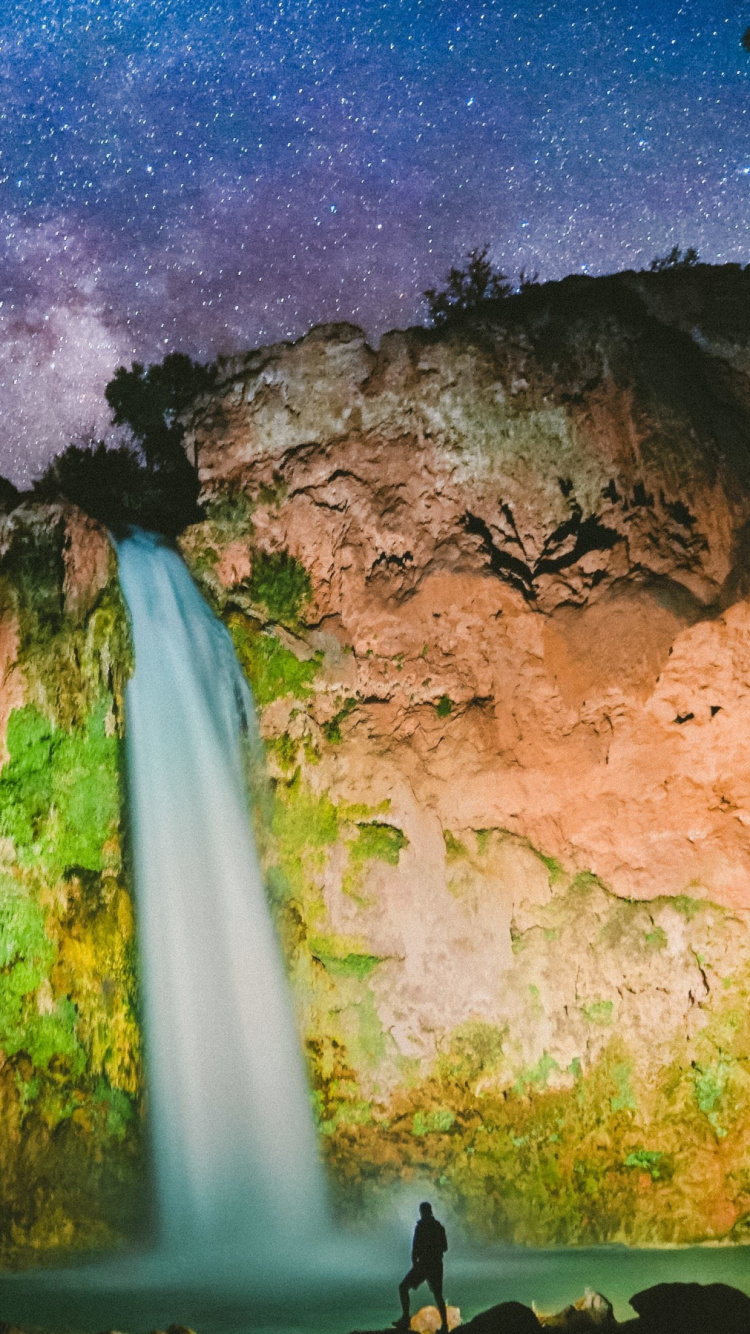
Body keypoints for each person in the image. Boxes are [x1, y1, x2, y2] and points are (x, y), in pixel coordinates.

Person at [394, 1201, 449, 1333]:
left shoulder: (421, 1227)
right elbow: (445, 1247)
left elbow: (415, 1247)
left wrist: (415, 1262)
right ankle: (445, 1326)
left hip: (424, 1264)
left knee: (403, 1287)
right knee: (438, 1295)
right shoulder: (438, 1227)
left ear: (423, 1212)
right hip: (435, 1264)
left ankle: (406, 1318)